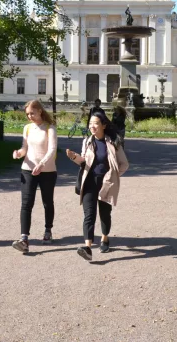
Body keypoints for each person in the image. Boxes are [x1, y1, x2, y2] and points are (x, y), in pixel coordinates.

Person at [65, 111, 129, 262]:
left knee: (105, 213)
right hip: (89, 181)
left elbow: (124, 164)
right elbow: (84, 162)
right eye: (90, 124)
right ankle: (88, 247)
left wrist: (114, 176)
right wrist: (74, 157)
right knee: (89, 214)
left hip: (106, 182)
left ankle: (105, 238)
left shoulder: (113, 142)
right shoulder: (87, 141)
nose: (92, 126)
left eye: (96, 123)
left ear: (104, 125)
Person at [11, 99, 58, 254]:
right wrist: (18, 153)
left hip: (47, 171)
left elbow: (52, 150)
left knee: (47, 202)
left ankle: (48, 230)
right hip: (28, 169)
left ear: (39, 111)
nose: (29, 116)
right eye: (27, 114)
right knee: (26, 203)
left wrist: (42, 164)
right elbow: (25, 148)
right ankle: (24, 238)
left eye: (32, 113)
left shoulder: (50, 128)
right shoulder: (27, 128)